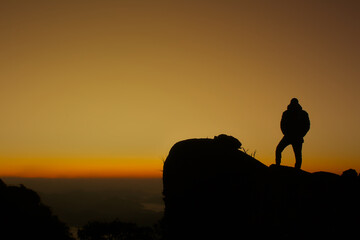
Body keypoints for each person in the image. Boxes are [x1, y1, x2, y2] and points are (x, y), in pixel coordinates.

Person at [276, 98, 310, 169]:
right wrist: (285, 133)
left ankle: (297, 170)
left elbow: (307, 125)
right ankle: (277, 166)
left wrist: (301, 135)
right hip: (288, 136)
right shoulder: (286, 113)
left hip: (297, 137)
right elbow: (282, 124)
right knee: (278, 149)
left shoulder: (303, 113)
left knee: (298, 156)